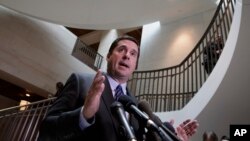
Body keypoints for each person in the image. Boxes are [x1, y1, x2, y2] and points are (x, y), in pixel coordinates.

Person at [38, 35, 198, 141]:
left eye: (133, 54)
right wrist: (83, 114)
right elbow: (47, 129)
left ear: (135, 65)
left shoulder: (135, 105)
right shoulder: (82, 82)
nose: (127, 55)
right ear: (108, 56)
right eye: (121, 49)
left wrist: (174, 136)